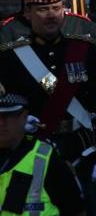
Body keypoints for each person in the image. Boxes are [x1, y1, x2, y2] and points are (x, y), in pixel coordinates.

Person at [0, 0, 96, 215]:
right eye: (43, 10)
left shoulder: (82, 51)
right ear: (28, 13)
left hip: (82, 148)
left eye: (56, 7)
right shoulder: (11, 58)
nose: (51, 15)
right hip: (35, 150)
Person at [0, 87, 85, 215]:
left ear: (24, 117)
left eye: (8, 116)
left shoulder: (47, 159)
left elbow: (75, 210)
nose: (1, 123)